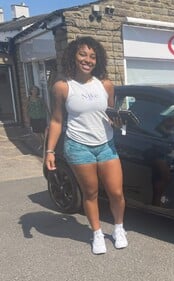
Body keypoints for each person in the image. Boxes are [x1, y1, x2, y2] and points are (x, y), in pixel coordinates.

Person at [44, 36, 127, 255]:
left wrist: (117, 121)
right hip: (79, 147)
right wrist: (50, 151)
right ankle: (97, 233)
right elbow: (56, 121)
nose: (87, 59)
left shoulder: (106, 85)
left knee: (116, 192)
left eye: (92, 56)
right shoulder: (62, 87)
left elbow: (109, 115)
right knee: (90, 193)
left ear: (97, 60)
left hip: (106, 145)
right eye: (83, 54)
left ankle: (119, 228)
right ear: (73, 55)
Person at [25, 85, 49, 150]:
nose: (34, 91)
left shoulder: (40, 98)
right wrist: (27, 118)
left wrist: (49, 115)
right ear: (31, 91)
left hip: (41, 117)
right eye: (33, 90)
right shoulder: (28, 99)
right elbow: (26, 108)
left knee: (44, 132)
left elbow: (45, 106)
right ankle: (42, 144)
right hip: (33, 118)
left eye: (36, 90)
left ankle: (46, 145)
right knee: (36, 132)